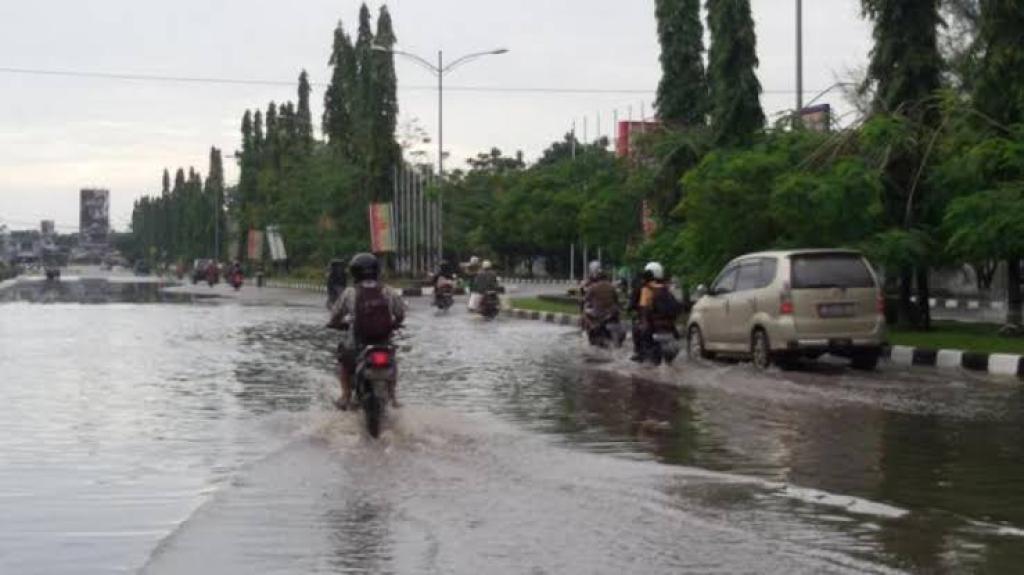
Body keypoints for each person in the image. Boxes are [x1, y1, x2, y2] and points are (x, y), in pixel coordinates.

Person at [328, 253, 406, 410]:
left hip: (357, 342)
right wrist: (395, 323)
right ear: (377, 270)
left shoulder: (350, 292)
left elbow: (335, 315)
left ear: (354, 272)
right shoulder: (388, 291)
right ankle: (393, 396)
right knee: (392, 361)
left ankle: (345, 395)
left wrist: (335, 324)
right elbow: (401, 313)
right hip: (383, 341)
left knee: (344, 361)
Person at [632, 262, 682, 362]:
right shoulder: (667, 288)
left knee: (637, 330)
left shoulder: (646, 289)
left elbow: (644, 309)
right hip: (669, 327)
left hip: (653, 327)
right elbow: (678, 306)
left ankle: (640, 354)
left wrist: (643, 322)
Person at [582, 266, 620, 331]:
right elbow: (616, 299)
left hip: (598, 312)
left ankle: (592, 326)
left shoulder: (593, 287)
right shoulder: (611, 286)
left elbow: (586, 298)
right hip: (611, 311)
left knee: (585, 313)